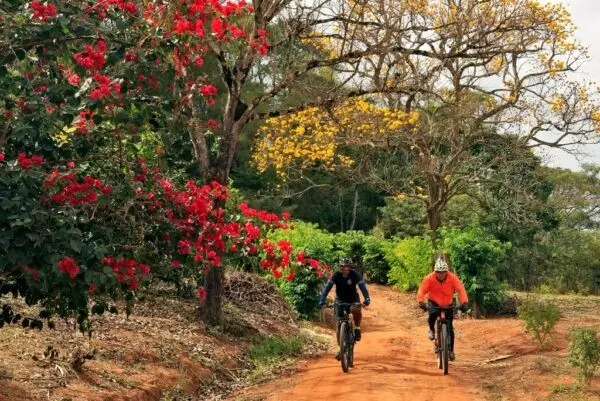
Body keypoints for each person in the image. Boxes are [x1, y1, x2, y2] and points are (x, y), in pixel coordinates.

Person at [417, 257, 468, 361]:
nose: (441, 274)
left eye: (443, 272)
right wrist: (421, 301)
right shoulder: (429, 278)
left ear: (446, 272)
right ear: (435, 272)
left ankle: (451, 351)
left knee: (449, 327)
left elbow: (460, 289)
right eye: (438, 272)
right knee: (433, 315)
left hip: (448, 304)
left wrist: (464, 302)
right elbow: (422, 290)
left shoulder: (452, 278)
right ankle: (431, 330)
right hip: (434, 302)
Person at [319, 257, 371, 360]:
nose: (345, 270)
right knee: (339, 324)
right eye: (343, 268)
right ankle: (340, 348)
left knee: (356, 310)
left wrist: (367, 298)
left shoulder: (355, 275)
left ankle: (356, 327)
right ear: (340, 268)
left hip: (353, 299)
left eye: (347, 268)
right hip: (340, 300)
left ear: (350, 268)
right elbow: (327, 288)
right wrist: (322, 300)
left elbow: (363, 288)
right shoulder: (336, 275)